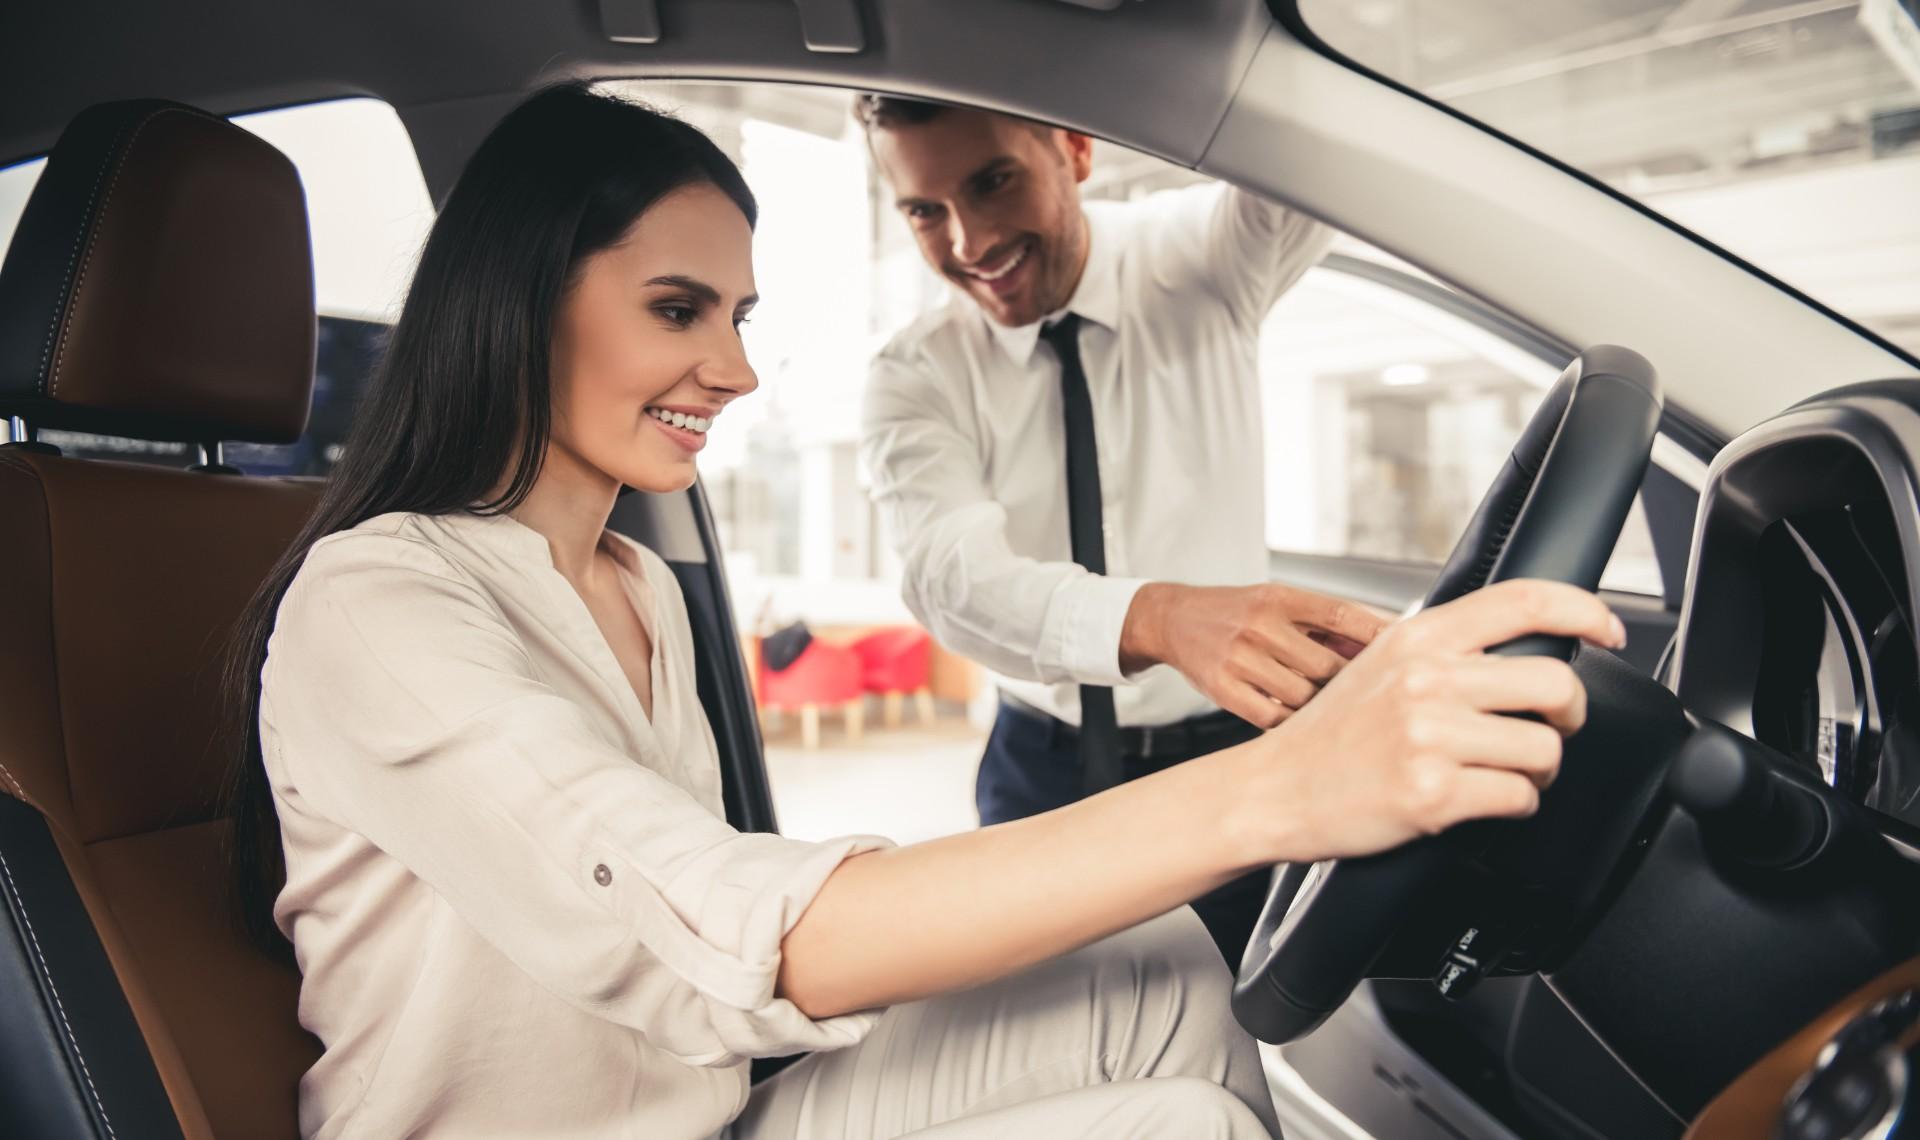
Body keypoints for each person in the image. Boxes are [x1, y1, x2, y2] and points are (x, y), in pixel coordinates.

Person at [225, 83, 1625, 1140]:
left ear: (1073, 154)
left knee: (1157, 965)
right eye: (678, 310)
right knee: (1178, 1129)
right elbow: (726, 934)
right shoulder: (376, 602)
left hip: (698, 1106)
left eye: (738, 317)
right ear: (524, 305)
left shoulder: (637, 582)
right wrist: (1291, 784)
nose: (737, 371)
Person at [856, 96, 1381, 964]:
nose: (969, 242)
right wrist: (1160, 618)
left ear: (1075, 147)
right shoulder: (915, 371)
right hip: (1041, 767)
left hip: (1229, 757)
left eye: (993, 183)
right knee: (1048, 1022)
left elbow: (1316, 137)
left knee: (1232, 1011)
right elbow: (952, 580)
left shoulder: (1204, 256)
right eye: (925, 211)